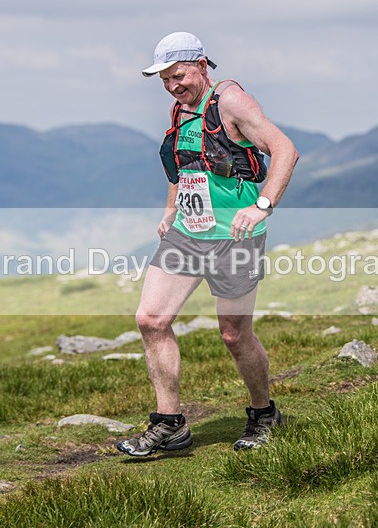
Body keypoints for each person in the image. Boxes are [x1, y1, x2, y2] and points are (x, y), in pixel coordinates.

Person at [116, 32, 299, 457]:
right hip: (187, 232)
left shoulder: (231, 101)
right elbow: (185, 165)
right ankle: (169, 424)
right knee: (151, 319)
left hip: (235, 237)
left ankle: (264, 414)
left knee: (234, 335)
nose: (172, 85)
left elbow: (285, 150)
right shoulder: (180, 107)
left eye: (177, 75)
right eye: (164, 79)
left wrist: (263, 206)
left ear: (201, 66)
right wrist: (170, 209)